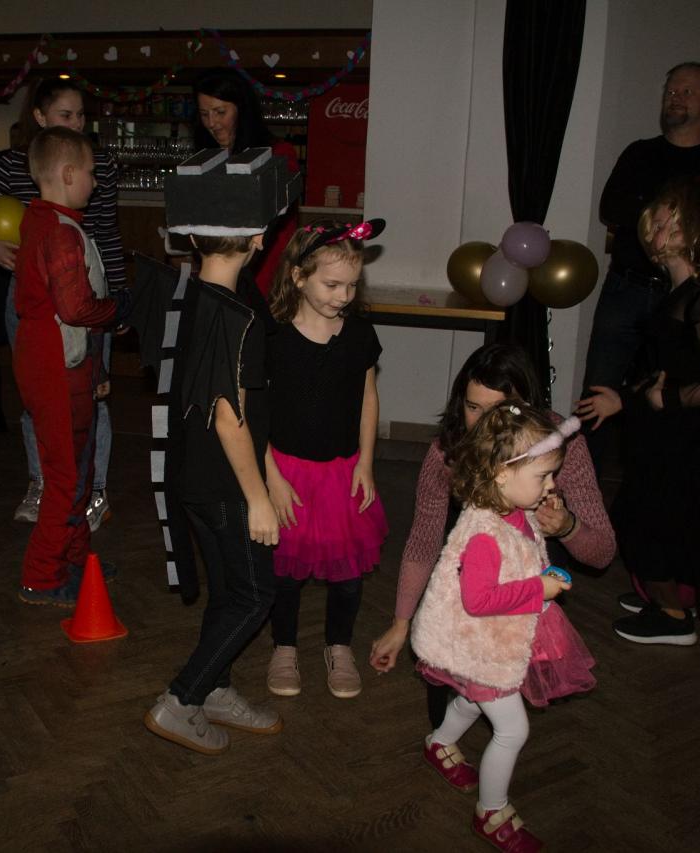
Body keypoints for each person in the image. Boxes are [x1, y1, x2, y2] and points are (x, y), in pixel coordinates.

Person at [141, 145, 301, 756]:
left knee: (230, 591)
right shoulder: (237, 316)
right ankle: (181, 699)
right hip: (225, 485)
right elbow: (232, 418)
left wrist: (272, 469)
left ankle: (215, 688)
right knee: (255, 595)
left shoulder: (188, 296)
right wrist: (258, 497)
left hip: (196, 477)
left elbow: (245, 413)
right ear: (258, 239)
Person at [369, 343, 615, 726]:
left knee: (509, 692)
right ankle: (443, 735)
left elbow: (602, 553)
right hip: (475, 562)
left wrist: (567, 526)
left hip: (532, 566)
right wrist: (401, 623)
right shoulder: (448, 452)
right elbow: (423, 541)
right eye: (473, 407)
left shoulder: (560, 446)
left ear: (525, 405)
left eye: (497, 409)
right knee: (446, 638)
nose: (482, 422)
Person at [578, 179, 700, 644]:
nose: (657, 233)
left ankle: (674, 617)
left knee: (648, 519)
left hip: (697, 435)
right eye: (656, 224)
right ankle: (666, 598)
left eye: (670, 225)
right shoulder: (679, 293)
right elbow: (668, 367)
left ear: (695, 230)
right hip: (678, 430)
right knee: (659, 517)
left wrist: (669, 399)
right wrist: (625, 398)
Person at [409, 402, 593, 853]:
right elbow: (479, 600)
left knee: (474, 702)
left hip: (488, 640)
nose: (551, 485)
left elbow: (521, 547)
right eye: (544, 477)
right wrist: (538, 588)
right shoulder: (484, 535)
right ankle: (492, 813)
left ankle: (439, 742)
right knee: (512, 731)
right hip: (478, 644)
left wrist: (545, 517)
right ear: (501, 474)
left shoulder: (511, 505)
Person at [0, 78, 125, 525]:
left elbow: (107, 234)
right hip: (32, 299)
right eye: (66, 115)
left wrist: (118, 298)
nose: (77, 123)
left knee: (93, 394)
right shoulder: (13, 164)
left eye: (81, 115)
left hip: (86, 293)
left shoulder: (97, 165)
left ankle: (95, 490)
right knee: (37, 396)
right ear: (39, 116)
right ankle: (42, 483)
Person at [583, 62, 700, 463]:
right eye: (671, 91)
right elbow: (612, 208)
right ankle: (584, 485)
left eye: (687, 91)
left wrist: (653, 201)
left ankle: (651, 473)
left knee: (666, 392)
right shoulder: (641, 152)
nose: (676, 98)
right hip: (627, 287)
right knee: (599, 390)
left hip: (683, 297)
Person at [262, 221, 388, 701]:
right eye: (332, 285)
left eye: (352, 286)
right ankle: (284, 648)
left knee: (348, 577)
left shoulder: (359, 335)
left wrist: (366, 463)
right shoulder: (273, 336)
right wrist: (271, 478)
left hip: (342, 472)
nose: (344, 296)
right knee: (284, 574)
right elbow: (253, 414)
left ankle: (339, 646)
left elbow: (369, 398)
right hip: (287, 472)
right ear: (298, 276)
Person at [13, 127, 126, 606]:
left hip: (58, 362)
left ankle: (75, 559)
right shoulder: (60, 231)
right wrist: (119, 308)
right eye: (91, 173)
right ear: (66, 174)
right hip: (55, 367)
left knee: (76, 469)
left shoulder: (46, 222)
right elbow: (77, 308)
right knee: (65, 476)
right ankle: (41, 576)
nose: (95, 183)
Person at [193, 69, 299, 298]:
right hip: (221, 275)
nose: (211, 123)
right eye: (204, 114)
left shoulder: (278, 154)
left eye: (220, 112)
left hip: (265, 275)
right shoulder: (206, 157)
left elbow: (275, 228)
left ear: (242, 109)